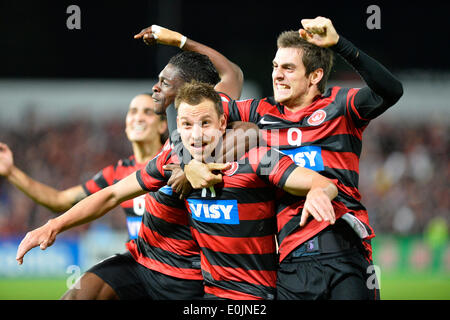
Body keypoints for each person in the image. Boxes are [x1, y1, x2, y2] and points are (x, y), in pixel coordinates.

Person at [16, 81, 339, 300]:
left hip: (249, 294)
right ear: (175, 129)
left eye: (205, 124)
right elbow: (112, 194)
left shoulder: (256, 159)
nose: (195, 134)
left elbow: (323, 182)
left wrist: (316, 191)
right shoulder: (172, 158)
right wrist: (52, 225)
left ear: (223, 124)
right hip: (169, 274)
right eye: (186, 125)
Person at [13, 24, 244, 300]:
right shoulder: (163, 156)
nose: (155, 88)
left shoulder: (218, 125)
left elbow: (233, 80)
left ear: (188, 91)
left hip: (188, 275)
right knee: (75, 296)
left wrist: (200, 163)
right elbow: (110, 194)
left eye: (165, 83)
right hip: (140, 260)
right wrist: (52, 226)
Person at [183, 16, 403, 299]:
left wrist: (340, 45)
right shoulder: (260, 112)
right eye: (275, 67)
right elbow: (199, 119)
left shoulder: (340, 106)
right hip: (290, 261)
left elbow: (391, 90)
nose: (277, 75)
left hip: (343, 248)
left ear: (315, 76)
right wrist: (188, 163)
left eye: (288, 68)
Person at [0, 93, 167, 241]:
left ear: (162, 125)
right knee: (85, 278)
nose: (138, 118)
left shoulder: (172, 164)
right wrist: (11, 172)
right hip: (138, 263)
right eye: (133, 111)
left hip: (176, 266)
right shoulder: (117, 172)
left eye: (148, 112)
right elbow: (59, 200)